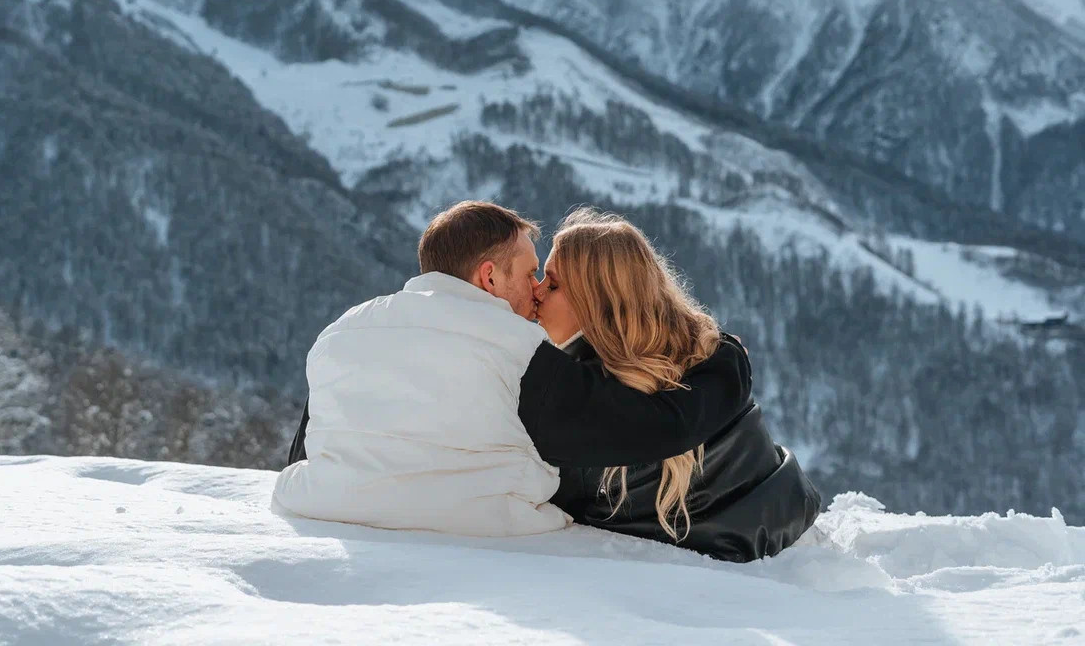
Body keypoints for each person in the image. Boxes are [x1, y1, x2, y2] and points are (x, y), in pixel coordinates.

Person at [275, 201, 751, 537]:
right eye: (529, 273)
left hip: (325, 523)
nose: (536, 289)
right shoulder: (514, 350)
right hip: (489, 548)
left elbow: (307, 451)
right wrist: (727, 359)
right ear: (489, 276)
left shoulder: (343, 332)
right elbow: (659, 428)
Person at [536, 208, 821, 561]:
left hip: (726, 570)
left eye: (552, 284)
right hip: (792, 524)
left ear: (596, 301)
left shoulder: (581, 404)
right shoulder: (708, 354)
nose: (537, 292)